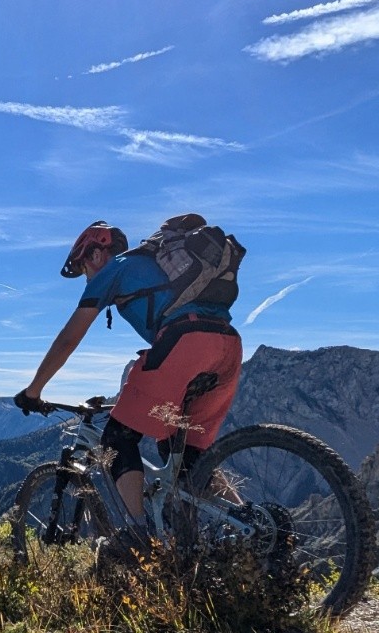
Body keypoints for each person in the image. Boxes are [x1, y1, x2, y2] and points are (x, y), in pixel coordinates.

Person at [14, 219, 242, 530]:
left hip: (185, 342)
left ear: (96, 255)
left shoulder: (114, 268)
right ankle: (249, 522)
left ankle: (137, 534)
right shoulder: (150, 267)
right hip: (228, 346)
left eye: (84, 269)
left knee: (117, 438)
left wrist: (33, 391)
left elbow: (69, 338)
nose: (86, 278)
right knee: (186, 457)